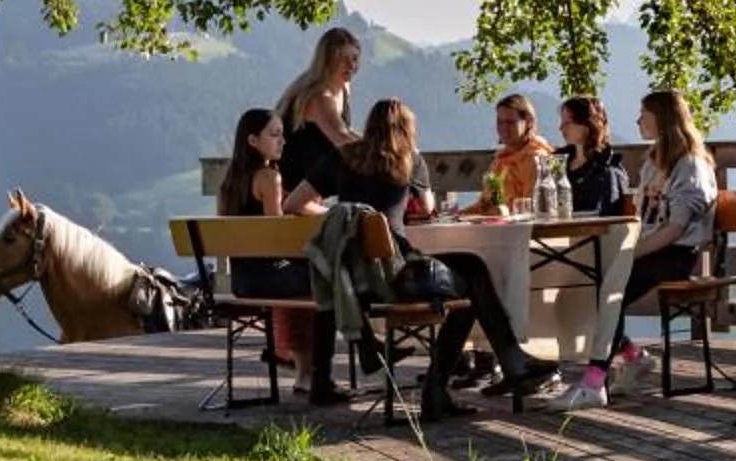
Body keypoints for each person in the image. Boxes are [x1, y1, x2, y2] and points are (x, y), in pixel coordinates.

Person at [325, 100, 559, 419]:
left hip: (357, 278)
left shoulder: (341, 157)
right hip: (398, 275)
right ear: (407, 130)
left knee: (468, 281)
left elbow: (297, 201)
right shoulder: (409, 159)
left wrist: (344, 217)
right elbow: (429, 210)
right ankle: (495, 369)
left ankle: (482, 374)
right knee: (472, 277)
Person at [553, 87, 713, 409]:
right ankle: (633, 357)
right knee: (590, 284)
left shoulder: (690, 166)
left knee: (611, 286)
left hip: (675, 254)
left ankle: (594, 382)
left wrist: (630, 254)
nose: (638, 120)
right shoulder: (655, 162)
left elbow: (675, 229)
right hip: (649, 247)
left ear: (663, 120)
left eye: (645, 115)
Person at [213, 108, 347, 404]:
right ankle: (325, 371)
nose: (282, 142)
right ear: (252, 141)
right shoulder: (269, 177)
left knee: (311, 281)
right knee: (328, 278)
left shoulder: (228, 183)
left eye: (282, 134)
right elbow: (276, 239)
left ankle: (307, 372)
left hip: (241, 282)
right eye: (274, 135)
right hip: (270, 279)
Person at [272, 25, 363, 199]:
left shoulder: (342, 88)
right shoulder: (320, 97)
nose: (351, 65)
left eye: (355, 58)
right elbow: (342, 139)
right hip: (292, 187)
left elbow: (347, 132)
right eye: (343, 59)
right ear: (327, 61)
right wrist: (384, 151)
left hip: (311, 182)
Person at [557, 94, 631, 216]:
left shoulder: (607, 169)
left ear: (588, 125)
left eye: (568, 123)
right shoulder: (560, 162)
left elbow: (603, 214)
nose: (561, 128)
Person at [482, 92, 554, 213]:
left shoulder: (535, 159)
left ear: (529, 122)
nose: (504, 127)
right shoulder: (500, 160)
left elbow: (530, 208)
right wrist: (457, 216)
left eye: (510, 122)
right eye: (500, 122)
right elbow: (484, 204)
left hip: (524, 229)